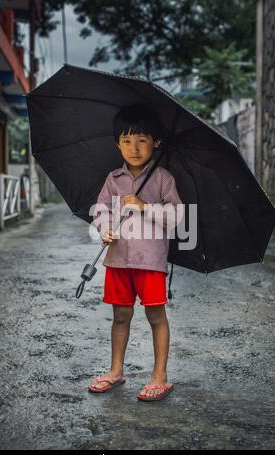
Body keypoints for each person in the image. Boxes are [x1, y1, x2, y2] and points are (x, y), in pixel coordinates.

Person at [88, 103, 183, 401]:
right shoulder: (113, 179)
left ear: (156, 143)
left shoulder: (163, 179)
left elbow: (178, 215)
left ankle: (160, 376)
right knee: (120, 315)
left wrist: (146, 207)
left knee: (156, 315)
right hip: (118, 259)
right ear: (117, 144)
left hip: (150, 260)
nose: (135, 148)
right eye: (127, 141)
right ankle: (116, 371)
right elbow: (99, 210)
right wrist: (105, 228)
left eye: (142, 140)